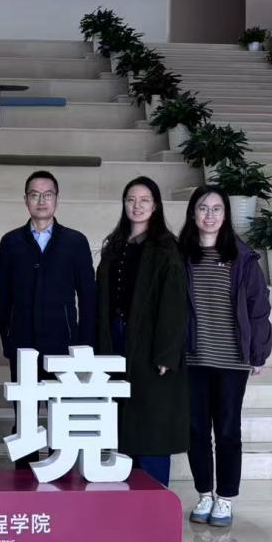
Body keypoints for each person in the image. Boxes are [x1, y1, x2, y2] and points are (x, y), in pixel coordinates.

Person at [178, 184, 272, 528]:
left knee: (228, 429)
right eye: (203, 208)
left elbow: (258, 307)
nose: (210, 215)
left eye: (217, 209)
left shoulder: (242, 258)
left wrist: (258, 351)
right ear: (193, 213)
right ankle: (204, 493)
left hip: (232, 360)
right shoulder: (181, 255)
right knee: (196, 429)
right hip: (193, 358)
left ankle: (226, 498)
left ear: (226, 215)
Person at [0, 170, 96, 468]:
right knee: (25, 417)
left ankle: (58, 476)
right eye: (35, 194)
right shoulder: (11, 242)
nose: (41, 200)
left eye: (47, 194)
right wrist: (8, 340)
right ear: (25, 200)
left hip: (63, 345)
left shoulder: (75, 242)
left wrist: (84, 344)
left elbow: (88, 297)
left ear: (57, 199)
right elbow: (3, 297)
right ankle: (23, 480)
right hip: (23, 344)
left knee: (60, 416)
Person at [94, 176, 188, 487]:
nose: (137, 206)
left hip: (150, 344)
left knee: (150, 422)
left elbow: (174, 303)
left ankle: (154, 496)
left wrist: (166, 353)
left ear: (155, 206)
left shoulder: (166, 248)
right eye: (131, 200)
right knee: (122, 418)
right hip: (116, 338)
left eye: (144, 200)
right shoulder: (115, 245)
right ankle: (128, 492)